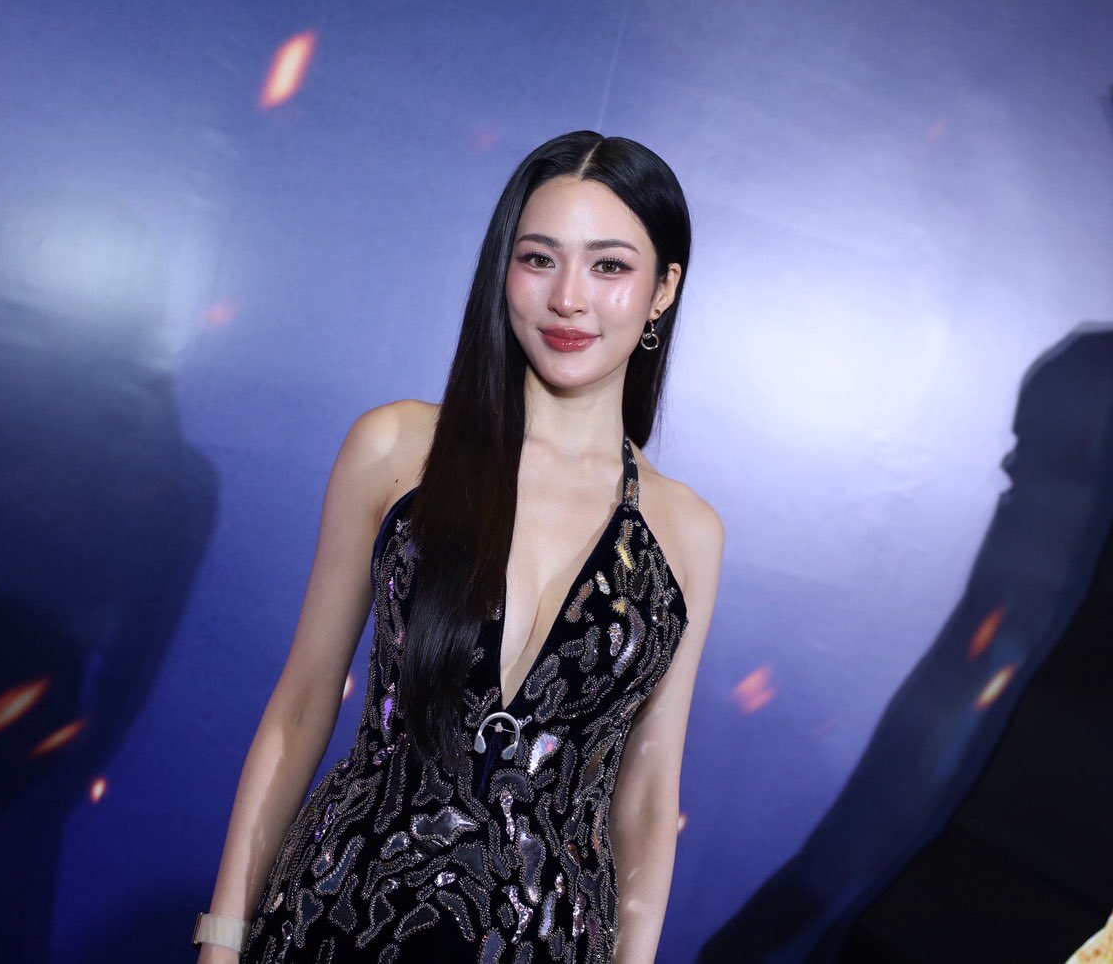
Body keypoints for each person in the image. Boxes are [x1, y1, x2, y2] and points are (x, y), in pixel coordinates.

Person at [195, 131, 724, 964]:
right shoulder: (396, 448)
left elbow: (649, 799)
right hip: (336, 923)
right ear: (501, 270)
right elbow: (302, 702)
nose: (568, 299)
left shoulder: (686, 531)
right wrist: (224, 936)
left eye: (609, 266)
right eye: (539, 259)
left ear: (663, 289)